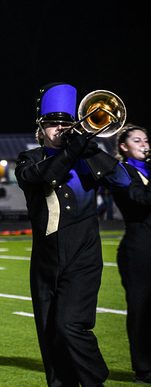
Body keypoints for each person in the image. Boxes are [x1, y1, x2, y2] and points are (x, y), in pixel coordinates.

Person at [15, 83, 131, 386]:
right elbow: (40, 176)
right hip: (45, 262)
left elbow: (122, 180)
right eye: (52, 124)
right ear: (41, 128)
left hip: (83, 256)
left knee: (69, 326)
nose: (60, 129)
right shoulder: (29, 158)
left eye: (66, 123)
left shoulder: (86, 156)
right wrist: (72, 151)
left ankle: (95, 381)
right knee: (51, 336)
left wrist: (89, 145)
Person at [110, 124, 151, 384]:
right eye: (137, 141)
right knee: (142, 308)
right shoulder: (122, 171)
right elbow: (140, 201)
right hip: (139, 247)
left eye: (146, 140)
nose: (145, 145)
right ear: (124, 147)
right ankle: (144, 368)